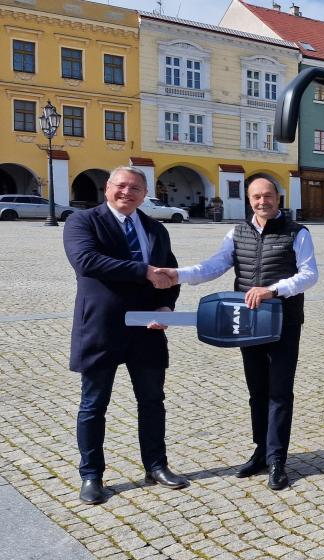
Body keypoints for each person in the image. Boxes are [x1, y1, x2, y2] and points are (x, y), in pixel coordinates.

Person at [165, 179, 317, 490]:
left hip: (284, 322)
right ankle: (260, 451)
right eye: (257, 197)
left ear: (278, 198)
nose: (263, 201)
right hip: (249, 323)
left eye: (268, 196)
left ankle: (277, 459)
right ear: (250, 201)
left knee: (279, 391)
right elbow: (215, 265)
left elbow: (309, 274)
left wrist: (274, 290)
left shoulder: (297, 232)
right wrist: (178, 275)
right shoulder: (237, 232)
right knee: (257, 390)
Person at [63, 166, 189, 505]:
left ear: (144, 194)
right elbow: (87, 261)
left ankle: (156, 465)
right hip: (101, 327)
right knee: (93, 405)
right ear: (108, 187)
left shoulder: (155, 229)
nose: (127, 193)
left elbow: (169, 273)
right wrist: (144, 271)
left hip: (147, 329)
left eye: (135, 188)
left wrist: (166, 307)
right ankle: (91, 476)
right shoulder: (83, 222)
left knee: (152, 402)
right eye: (121, 186)